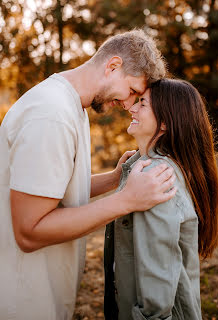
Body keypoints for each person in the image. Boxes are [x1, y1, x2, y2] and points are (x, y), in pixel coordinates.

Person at [0, 30, 177, 320]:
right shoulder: (51, 114)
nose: (129, 104)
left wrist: (114, 177)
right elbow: (28, 231)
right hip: (22, 300)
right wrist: (126, 201)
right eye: (132, 90)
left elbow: (55, 189)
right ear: (112, 66)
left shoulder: (71, 105)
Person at [104, 79, 218, 320]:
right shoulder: (146, 168)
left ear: (166, 122)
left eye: (143, 104)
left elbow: (157, 293)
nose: (132, 108)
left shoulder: (155, 177)